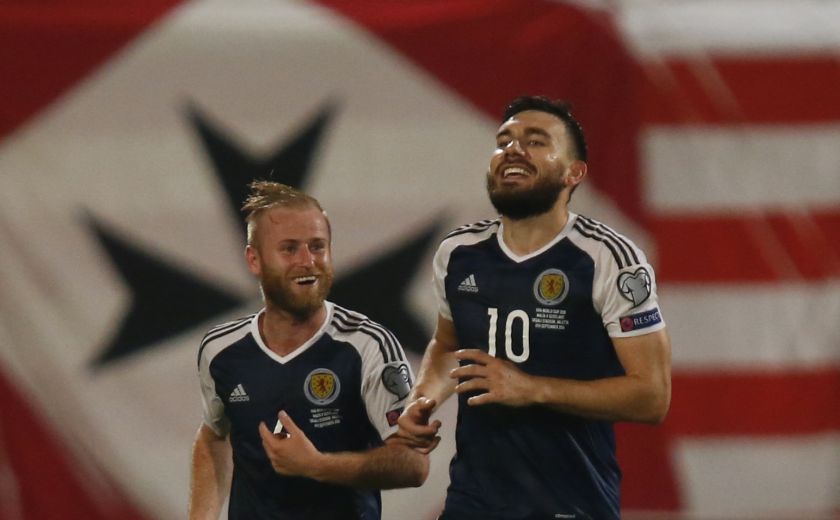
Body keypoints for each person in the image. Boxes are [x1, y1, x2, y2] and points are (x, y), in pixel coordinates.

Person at [398, 96, 672, 520]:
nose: (513, 149)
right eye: (504, 140)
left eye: (536, 140)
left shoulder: (608, 258)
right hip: (474, 501)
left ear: (573, 173)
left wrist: (532, 388)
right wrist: (424, 399)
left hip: (572, 503)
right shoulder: (457, 253)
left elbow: (652, 396)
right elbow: (449, 344)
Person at [189, 181, 428, 520]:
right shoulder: (221, 350)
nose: (307, 261)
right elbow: (213, 436)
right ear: (254, 260)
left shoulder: (367, 345)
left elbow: (413, 463)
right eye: (289, 249)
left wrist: (318, 465)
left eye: (318, 246)